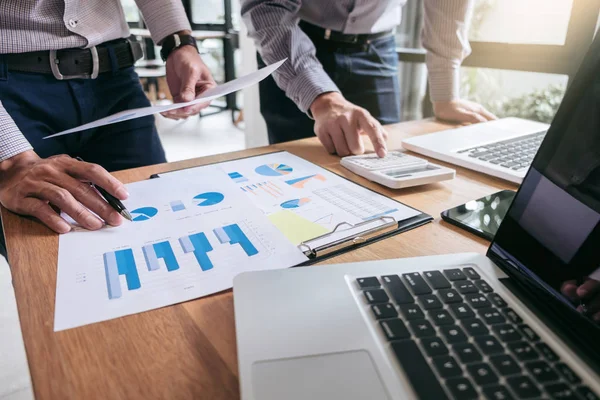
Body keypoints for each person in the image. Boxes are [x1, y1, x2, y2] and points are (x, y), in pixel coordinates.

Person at [0, 0, 216, 255]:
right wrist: (10, 158)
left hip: (116, 80)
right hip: (10, 93)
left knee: (161, 229)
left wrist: (178, 42)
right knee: (49, 254)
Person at [242, 0, 496, 158]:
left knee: (384, 164)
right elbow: (266, 6)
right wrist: (319, 97)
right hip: (295, 42)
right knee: (295, 177)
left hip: (378, 47)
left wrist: (445, 94)